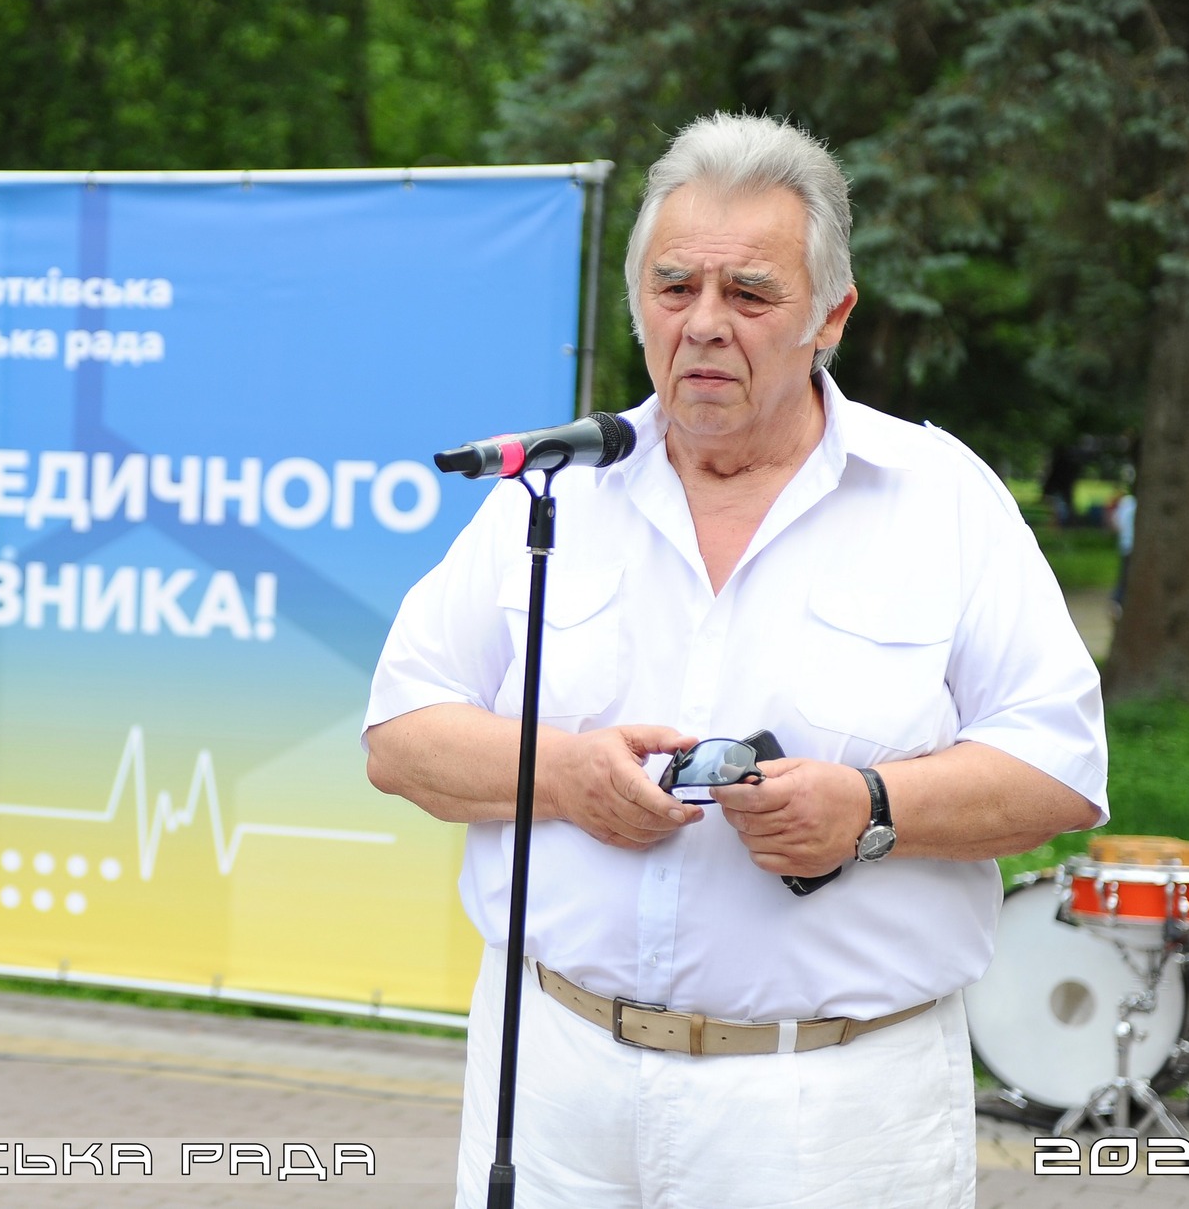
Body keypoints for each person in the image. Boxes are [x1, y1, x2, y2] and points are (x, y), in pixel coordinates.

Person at [363, 112, 1106, 1209]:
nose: (704, 323)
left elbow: (1057, 768)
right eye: (674, 288)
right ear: (638, 303)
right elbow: (399, 736)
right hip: (554, 1080)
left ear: (830, 315)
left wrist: (869, 806)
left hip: (830, 1111)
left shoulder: (940, 499)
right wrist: (565, 775)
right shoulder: (553, 493)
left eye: (749, 294)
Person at [1111, 486, 1136, 614]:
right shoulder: (1138, 503)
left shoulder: (1125, 503)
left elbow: (1116, 523)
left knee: (1124, 575)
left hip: (1125, 545)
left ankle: (1117, 602)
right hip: (1133, 545)